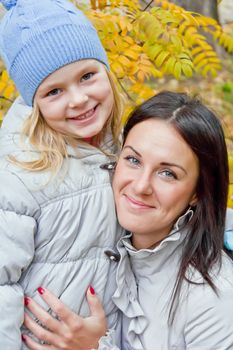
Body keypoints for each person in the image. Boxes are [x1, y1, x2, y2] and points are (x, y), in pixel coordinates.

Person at [22, 91, 233, 350]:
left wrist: (96, 348)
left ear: (198, 192)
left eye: (168, 173)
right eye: (133, 160)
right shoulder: (102, 245)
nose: (141, 186)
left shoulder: (214, 296)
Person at [0, 0, 124, 348]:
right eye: (54, 91)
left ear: (106, 71)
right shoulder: (20, 171)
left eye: (87, 76)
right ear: (32, 102)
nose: (79, 99)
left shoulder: (120, 148)